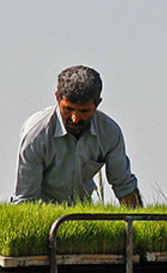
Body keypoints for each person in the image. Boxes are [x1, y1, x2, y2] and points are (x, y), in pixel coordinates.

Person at [12, 65, 143, 207]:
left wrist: (140, 226)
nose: (75, 118)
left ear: (97, 103)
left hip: (83, 213)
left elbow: (124, 187)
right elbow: (25, 200)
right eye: (68, 109)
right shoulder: (36, 134)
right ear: (57, 98)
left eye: (84, 111)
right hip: (42, 213)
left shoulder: (109, 133)